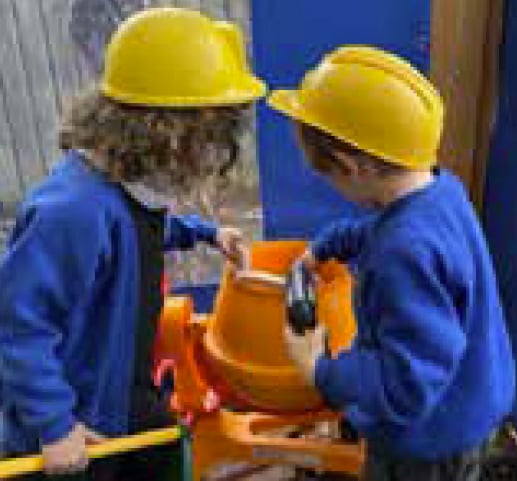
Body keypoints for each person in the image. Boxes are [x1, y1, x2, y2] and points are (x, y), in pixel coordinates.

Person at [0, 7, 265, 480]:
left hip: (122, 389)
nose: (209, 158)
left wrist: (207, 234)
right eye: (206, 140)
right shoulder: (72, 212)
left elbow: (138, 229)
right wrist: (54, 425)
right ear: (163, 131)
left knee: (163, 452)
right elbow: (20, 327)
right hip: (76, 424)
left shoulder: (120, 187)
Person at [271, 45, 516, 481]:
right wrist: (327, 246)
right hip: (474, 400)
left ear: (350, 166)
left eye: (327, 175)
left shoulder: (400, 256)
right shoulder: (441, 190)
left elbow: (404, 386)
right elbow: (391, 229)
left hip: (430, 444)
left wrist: (321, 370)